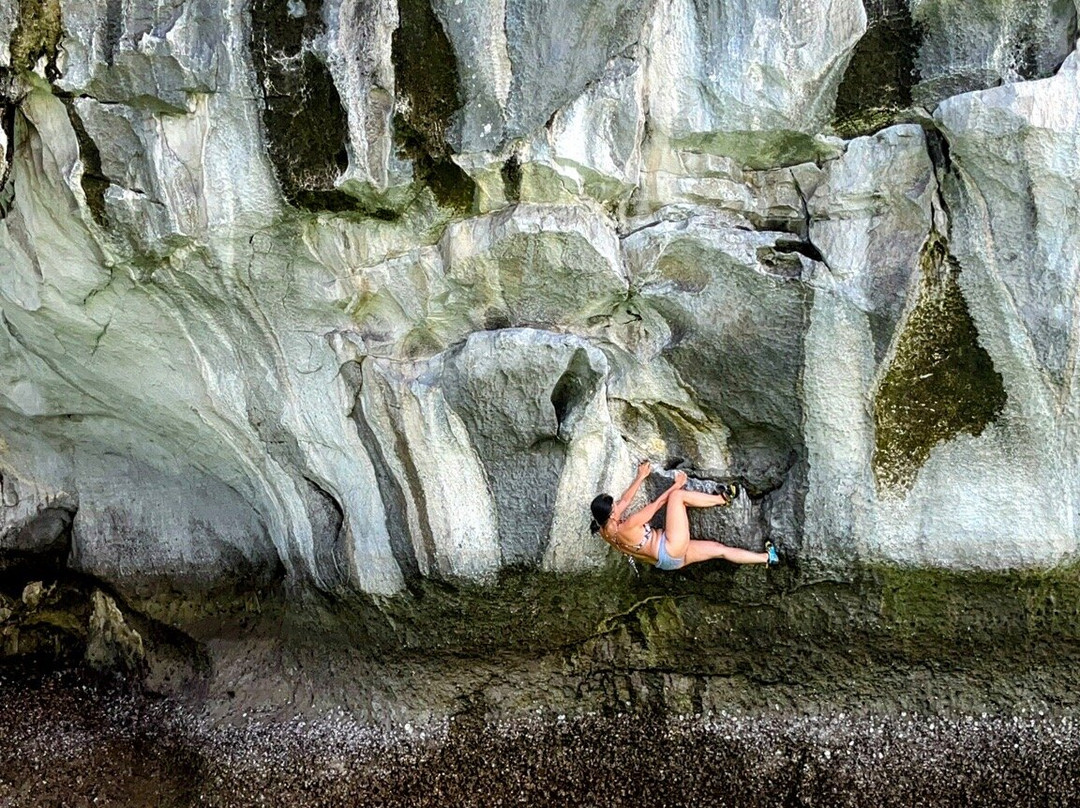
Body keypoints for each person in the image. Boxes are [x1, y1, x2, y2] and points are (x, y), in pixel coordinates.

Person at [589, 461, 779, 570]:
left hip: (666, 563)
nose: (617, 505)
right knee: (677, 497)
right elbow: (658, 504)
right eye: (614, 506)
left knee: (719, 549)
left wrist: (640, 476)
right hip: (670, 547)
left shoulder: (603, 530)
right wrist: (676, 485)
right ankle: (722, 499)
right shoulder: (628, 524)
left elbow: (624, 501)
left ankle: (767, 558)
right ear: (612, 514)